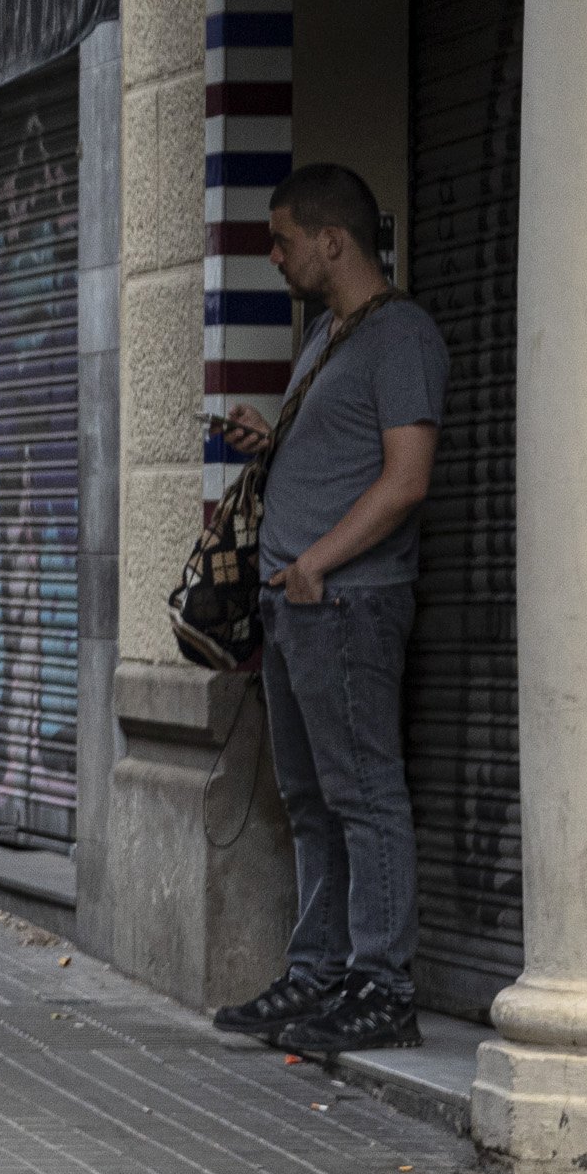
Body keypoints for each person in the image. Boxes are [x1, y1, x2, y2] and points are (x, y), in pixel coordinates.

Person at [210, 162, 444, 1056]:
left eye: (282, 239)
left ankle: (383, 988)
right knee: (309, 799)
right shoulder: (330, 338)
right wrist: (276, 444)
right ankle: (319, 972)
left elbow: (406, 479)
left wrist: (314, 563)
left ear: (332, 240)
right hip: (296, 606)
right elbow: (349, 453)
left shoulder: (401, 336)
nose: (273, 255)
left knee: (364, 795)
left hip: (346, 601)